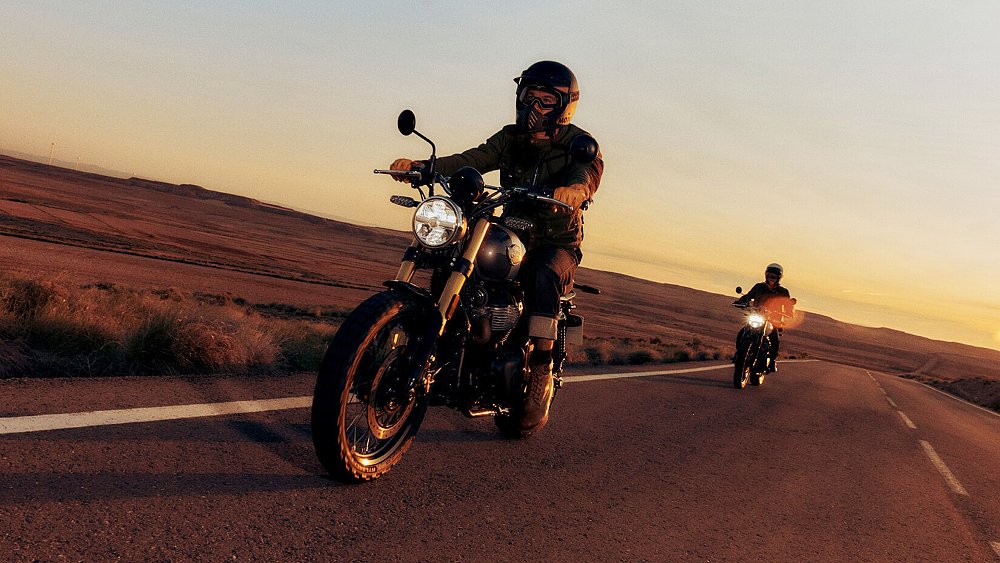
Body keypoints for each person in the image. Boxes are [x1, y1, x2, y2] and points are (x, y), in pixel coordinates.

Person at [389, 60, 604, 430]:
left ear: (563, 106)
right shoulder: (509, 138)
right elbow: (472, 159)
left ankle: (541, 368)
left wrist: (575, 190)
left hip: (555, 241)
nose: (534, 107)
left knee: (542, 273)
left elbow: (588, 174)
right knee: (453, 249)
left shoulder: (579, 145)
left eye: (545, 101)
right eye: (529, 97)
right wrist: (423, 167)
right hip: (511, 229)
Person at [734, 263, 795, 373]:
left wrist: (789, 312)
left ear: (779, 278)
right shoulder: (759, 287)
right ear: (766, 275)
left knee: (774, 339)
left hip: (773, 320)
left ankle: (772, 360)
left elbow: (788, 305)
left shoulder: (783, 292)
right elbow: (748, 296)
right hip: (757, 315)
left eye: (774, 276)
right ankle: (739, 353)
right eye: (770, 275)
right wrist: (740, 301)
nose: (772, 277)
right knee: (743, 331)